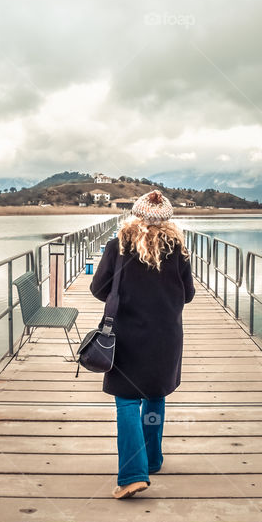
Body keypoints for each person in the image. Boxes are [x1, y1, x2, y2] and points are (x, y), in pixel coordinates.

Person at [90, 190, 195, 499]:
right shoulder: (177, 249)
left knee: (126, 400)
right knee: (154, 393)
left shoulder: (117, 246)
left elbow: (98, 289)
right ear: (167, 220)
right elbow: (187, 294)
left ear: (134, 216)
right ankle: (152, 459)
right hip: (166, 335)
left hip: (126, 334)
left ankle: (134, 474)